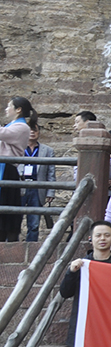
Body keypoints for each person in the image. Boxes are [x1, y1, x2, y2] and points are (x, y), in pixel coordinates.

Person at [1, 97, 34, 242]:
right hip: (3, 167)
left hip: (7, 169)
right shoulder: (12, 125)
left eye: (9, 106)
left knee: (6, 209)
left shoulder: (22, 127)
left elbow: (3, 135)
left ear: (18, 109)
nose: (6, 109)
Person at [20, 120, 56, 243]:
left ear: (39, 132)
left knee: (34, 223)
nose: (32, 133)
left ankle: (31, 248)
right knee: (14, 218)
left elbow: (51, 173)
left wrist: (50, 192)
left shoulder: (47, 150)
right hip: (19, 186)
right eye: (29, 130)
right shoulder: (17, 148)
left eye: (35, 130)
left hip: (37, 188)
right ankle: (10, 245)